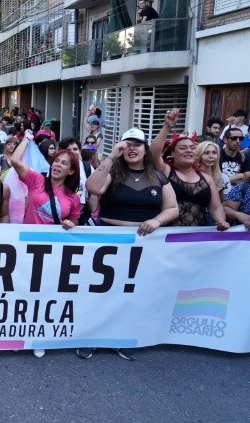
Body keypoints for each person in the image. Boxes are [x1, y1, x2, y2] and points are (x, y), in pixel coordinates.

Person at [82, 127, 179, 361]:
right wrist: (112, 156)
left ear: (146, 149)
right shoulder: (112, 172)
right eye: (127, 144)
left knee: (130, 293)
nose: (131, 148)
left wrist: (156, 220)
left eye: (137, 144)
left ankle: (122, 336)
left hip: (143, 245)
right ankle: (90, 337)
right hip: (108, 242)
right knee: (100, 292)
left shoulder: (158, 176)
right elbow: (93, 188)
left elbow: (173, 208)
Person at [11, 133, 81, 359]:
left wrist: (71, 223)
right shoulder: (36, 180)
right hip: (26, 247)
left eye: (64, 163)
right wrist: (26, 139)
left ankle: (38, 338)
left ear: (71, 171)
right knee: (22, 291)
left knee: (44, 294)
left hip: (52, 252)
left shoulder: (72, 197)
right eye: (56, 161)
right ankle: (17, 333)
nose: (58, 165)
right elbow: (15, 161)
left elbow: (75, 220)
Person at [151, 109, 230, 229]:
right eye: (183, 148)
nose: (189, 150)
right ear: (172, 153)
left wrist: (221, 221)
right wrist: (167, 125)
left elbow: (216, 207)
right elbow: (153, 154)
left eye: (192, 148)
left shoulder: (207, 178)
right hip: (165, 237)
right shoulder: (166, 170)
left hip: (195, 239)